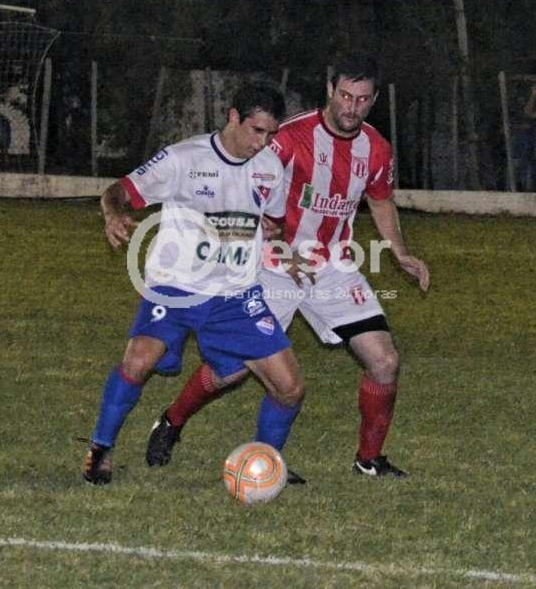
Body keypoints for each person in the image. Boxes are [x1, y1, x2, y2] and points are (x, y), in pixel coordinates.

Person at [145, 52, 430, 480]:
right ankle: (172, 420)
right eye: (345, 95)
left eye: (362, 99)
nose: (352, 107)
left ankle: (367, 460)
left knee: (384, 361)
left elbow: (381, 200)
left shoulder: (376, 148)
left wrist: (400, 252)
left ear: (374, 101)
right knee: (232, 370)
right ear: (330, 90)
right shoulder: (290, 137)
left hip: (331, 266)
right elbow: (243, 183)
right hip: (271, 266)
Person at [82, 84, 306, 485]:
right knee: (138, 362)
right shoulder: (183, 158)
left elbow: (273, 220)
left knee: (289, 388)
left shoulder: (270, 166)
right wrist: (112, 214)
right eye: (256, 130)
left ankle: (264, 465)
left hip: (235, 295)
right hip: (175, 287)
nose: (263, 142)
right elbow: (118, 191)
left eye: (271, 134)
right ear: (233, 117)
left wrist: (277, 241)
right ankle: (101, 447)